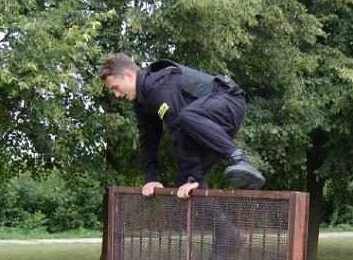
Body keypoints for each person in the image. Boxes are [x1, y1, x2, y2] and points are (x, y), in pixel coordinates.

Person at [99, 52, 264, 200]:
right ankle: (226, 233)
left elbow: (178, 129)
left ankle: (239, 160)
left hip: (229, 102)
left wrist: (193, 176)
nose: (117, 95)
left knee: (186, 117)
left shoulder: (159, 86)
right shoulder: (142, 102)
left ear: (128, 75)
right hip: (208, 126)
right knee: (182, 180)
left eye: (115, 87)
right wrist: (151, 179)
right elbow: (148, 141)